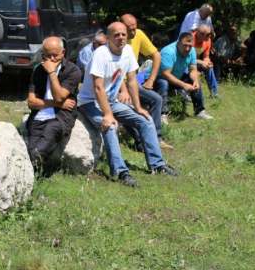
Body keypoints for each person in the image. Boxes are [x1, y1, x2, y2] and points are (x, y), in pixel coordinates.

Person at [77, 22, 181, 189]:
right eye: (116, 35)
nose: (121, 38)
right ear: (108, 38)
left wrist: (138, 108)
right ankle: (121, 172)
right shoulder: (100, 54)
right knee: (110, 127)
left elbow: (132, 81)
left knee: (145, 120)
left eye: (123, 34)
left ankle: (157, 165)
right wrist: (108, 114)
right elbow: (97, 88)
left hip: (111, 100)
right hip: (90, 102)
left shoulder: (127, 52)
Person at [120, 13, 173, 150]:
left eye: (134, 28)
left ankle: (156, 138)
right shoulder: (116, 39)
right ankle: (140, 142)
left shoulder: (138, 34)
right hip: (117, 84)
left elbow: (157, 55)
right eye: (129, 30)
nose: (132, 32)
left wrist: (151, 80)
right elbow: (115, 71)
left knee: (156, 99)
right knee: (124, 106)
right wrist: (123, 91)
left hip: (132, 81)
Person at [27, 36, 81, 171]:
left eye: (55, 55)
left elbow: (59, 96)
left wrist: (51, 72)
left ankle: (31, 175)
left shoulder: (72, 70)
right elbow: (32, 103)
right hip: (38, 117)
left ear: (63, 52)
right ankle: (33, 175)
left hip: (60, 118)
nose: (51, 59)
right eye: (47, 55)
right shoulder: (38, 70)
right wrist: (56, 104)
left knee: (37, 152)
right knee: (31, 151)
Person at [145, 32, 215, 120]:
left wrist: (196, 81)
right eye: (185, 45)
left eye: (190, 46)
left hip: (176, 76)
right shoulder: (169, 51)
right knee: (163, 83)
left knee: (194, 81)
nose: (187, 48)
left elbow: (193, 70)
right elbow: (165, 74)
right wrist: (183, 85)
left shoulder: (192, 51)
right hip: (157, 77)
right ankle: (162, 115)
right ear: (178, 43)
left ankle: (199, 111)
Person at [192, 24, 219, 98]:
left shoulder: (207, 40)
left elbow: (205, 56)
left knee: (209, 68)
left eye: (210, 34)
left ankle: (214, 92)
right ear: (199, 35)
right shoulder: (190, 39)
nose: (210, 36)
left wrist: (208, 63)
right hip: (185, 63)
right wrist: (202, 62)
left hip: (195, 63)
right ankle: (183, 93)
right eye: (208, 35)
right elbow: (186, 59)